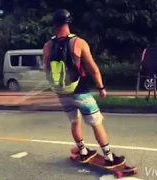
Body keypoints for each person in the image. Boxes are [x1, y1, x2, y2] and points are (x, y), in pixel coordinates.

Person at [42, 9, 125, 167]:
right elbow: (93, 68)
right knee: (96, 123)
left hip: (61, 92)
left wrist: (57, 86)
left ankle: (83, 151)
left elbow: (46, 69)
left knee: (74, 121)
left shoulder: (47, 46)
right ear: (69, 23)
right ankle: (109, 157)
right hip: (80, 92)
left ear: (54, 25)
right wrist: (101, 87)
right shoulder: (78, 43)